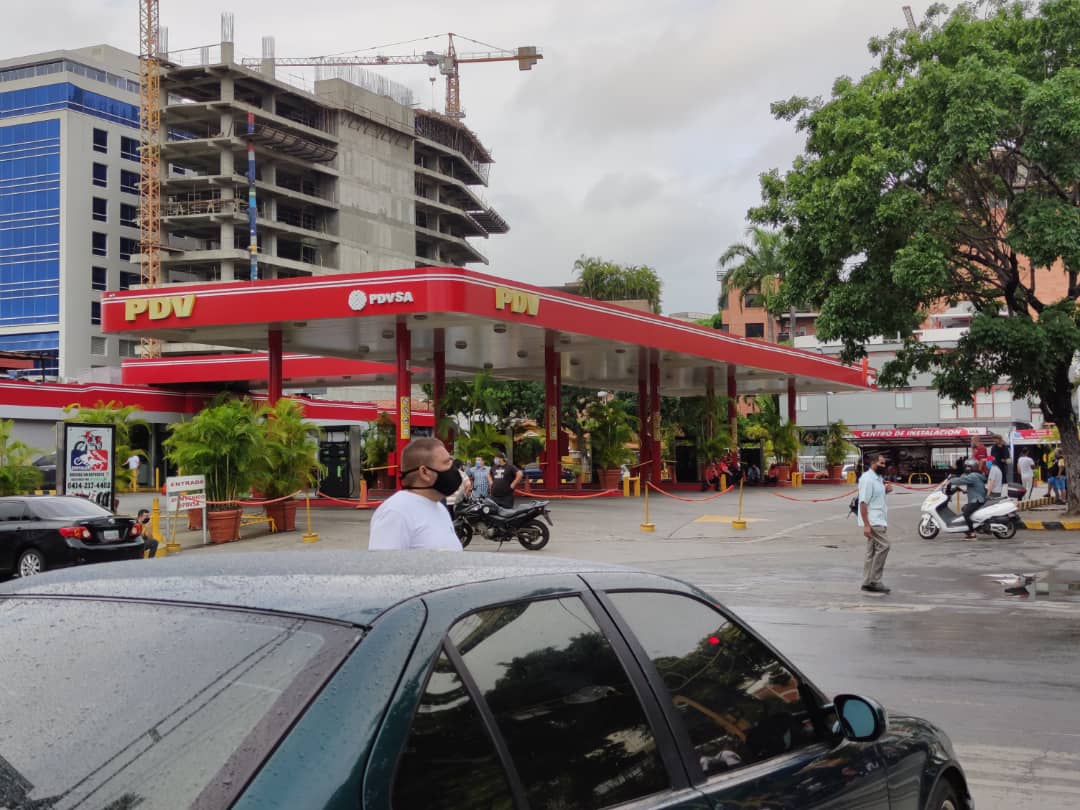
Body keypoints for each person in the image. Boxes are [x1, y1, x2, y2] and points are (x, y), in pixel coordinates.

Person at [369, 438, 463, 551]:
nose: (452, 468)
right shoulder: (395, 512)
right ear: (424, 472)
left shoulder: (439, 507)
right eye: (446, 462)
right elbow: (383, 565)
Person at [857, 453, 892, 594]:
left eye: (884, 463)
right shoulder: (867, 479)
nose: (884, 466)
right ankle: (875, 581)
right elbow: (863, 502)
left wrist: (885, 490)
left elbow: (875, 498)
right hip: (873, 520)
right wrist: (866, 524)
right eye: (881, 463)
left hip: (879, 518)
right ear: (873, 463)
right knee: (885, 545)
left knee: (871, 551)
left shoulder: (878, 479)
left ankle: (867, 582)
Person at [953, 461, 988, 539]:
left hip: (977, 500)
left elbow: (962, 480)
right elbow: (976, 487)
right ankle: (972, 528)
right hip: (979, 498)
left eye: (967, 467)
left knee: (966, 513)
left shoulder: (973, 476)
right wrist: (965, 491)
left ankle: (972, 533)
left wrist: (951, 481)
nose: (966, 468)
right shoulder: (978, 475)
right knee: (964, 508)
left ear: (970, 467)